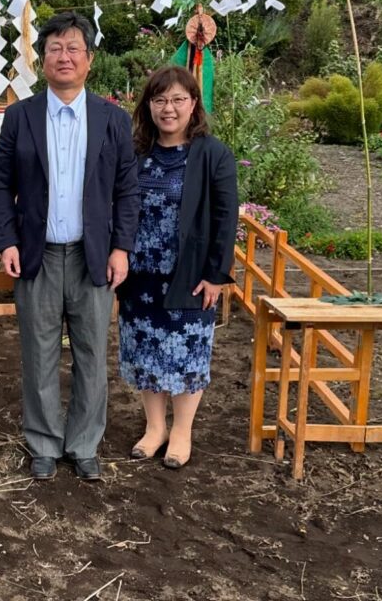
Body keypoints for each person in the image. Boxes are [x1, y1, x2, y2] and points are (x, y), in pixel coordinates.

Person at [0, 12, 140, 482]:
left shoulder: (112, 120)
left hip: (90, 254)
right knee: (38, 352)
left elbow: (127, 190)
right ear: (43, 59)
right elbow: (1, 185)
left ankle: (84, 442)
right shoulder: (20, 116)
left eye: (74, 48)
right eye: (55, 48)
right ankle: (43, 441)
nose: (64, 56)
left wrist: (122, 249)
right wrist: (7, 240)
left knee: (93, 351)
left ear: (89, 61)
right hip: (37, 254)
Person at [117, 65, 238, 469]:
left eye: (177, 100)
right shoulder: (135, 152)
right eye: (159, 99)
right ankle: (155, 428)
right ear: (148, 105)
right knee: (146, 352)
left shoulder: (213, 154)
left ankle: (182, 431)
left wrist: (216, 274)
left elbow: (225, 218)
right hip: (140, 275)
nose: (168, 108)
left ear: (192, 105)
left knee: (187, 355)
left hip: (189, 273)